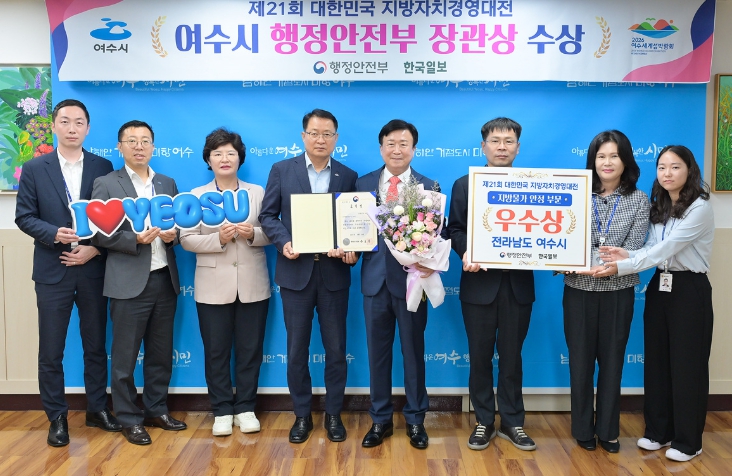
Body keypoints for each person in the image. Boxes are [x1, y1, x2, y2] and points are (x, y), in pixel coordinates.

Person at [592, 145, 714, 463]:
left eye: (675, 167)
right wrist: (626, 254)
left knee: (687, 366)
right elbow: (652, 247)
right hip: (660, 285)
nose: (667, 173)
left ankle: (689, 441)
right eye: (662, 167)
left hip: (689, 289)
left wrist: (622, 265)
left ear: (689, 170)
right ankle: (658, 432)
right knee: (657, 362)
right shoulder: (660, 204)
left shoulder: (699, 207)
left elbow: (667, 248)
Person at [15, 99, 118, 447]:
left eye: (78, 122)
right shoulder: (34, 168)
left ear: (88, 128)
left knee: (95, 344)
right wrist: (53, 234)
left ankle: (97, 409)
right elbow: (24, 216)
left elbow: (112, 218)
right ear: (54, 126)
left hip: (92, 268)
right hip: (52, 268)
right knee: (51, 350)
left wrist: (96, 248)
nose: (72, 128)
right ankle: (56, 417)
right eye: (65, 121)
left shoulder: (103, 166)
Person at [259, 109, 357, 444]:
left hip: (334, 275)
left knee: (336, 349)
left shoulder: (348, 175)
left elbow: (355, 222)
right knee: (297, 349)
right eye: (314, 133)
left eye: (327, 134)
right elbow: (268, 216)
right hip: (295, 274)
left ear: (336, 138)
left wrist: (352, 249)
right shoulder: (282, 170)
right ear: (303, 136)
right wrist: (284, 241)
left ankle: (333, 414)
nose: (320, 139)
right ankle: (301, 414)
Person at [91, 120, 185, 445]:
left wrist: (174, 236)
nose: (139, 146)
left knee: (160, 354)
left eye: (145, 140)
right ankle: (129, 418)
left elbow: (179, 225)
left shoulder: (167, 183)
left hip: (164, 279)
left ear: (153, 146)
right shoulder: (106, 183)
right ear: (120, 147)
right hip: (127, 283)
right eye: (131, 140)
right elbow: (98, 234)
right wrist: (134, 240)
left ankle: (156, 410)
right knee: (125, 358)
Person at [447, 117, 536, 451]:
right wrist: (466, 251)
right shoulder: (464, 185)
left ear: (518, 147)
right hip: (478, 286)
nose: (502, 147)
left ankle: (513, 422)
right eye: (495, 141)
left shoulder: (535, 185)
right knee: (479, 357)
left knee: (512, 358)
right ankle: (484, 420)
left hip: (517, 287)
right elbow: (455, 229)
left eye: (509, 141)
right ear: (483, 146)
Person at [180, 128, 271, 437]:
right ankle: (221, 410)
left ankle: (246, 408)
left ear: (240, 158)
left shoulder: (257, 192)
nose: (224, 158)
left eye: (230, 153)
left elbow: (274, 232)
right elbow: (186, 239)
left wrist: (253, 234)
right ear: (208, 159)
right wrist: (217, 238)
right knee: (216, 351)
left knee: (250, 350)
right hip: (212, 284)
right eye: (217, 153)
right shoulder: (196, 195)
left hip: (253, 283)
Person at [563, 130, 650, 453]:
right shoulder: (575, 194)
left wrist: (608, 264)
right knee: (580, 363)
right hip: (578, 290)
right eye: (601, 156)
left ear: (625, 160)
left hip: (618, 291)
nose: (607, 162)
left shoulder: (639, 200)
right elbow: (563, 241)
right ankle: (583, 428)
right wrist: (586, 262)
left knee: (613, 363)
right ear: (592, 161)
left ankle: (609, 430)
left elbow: (634, 247)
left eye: (614, 156)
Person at [355, 119, 438, 449]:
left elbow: (439, 233)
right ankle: (380, 420)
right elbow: (351, 229)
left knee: (413, 354)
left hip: (412, 283)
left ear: (413, 149)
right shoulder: (362, 184)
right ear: (381, 148)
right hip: (374, 283)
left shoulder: (428, 186)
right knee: (377, 355)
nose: (397, 149)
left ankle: (416, 420)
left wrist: (430, 260)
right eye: (391, 143)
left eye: (404, 144)